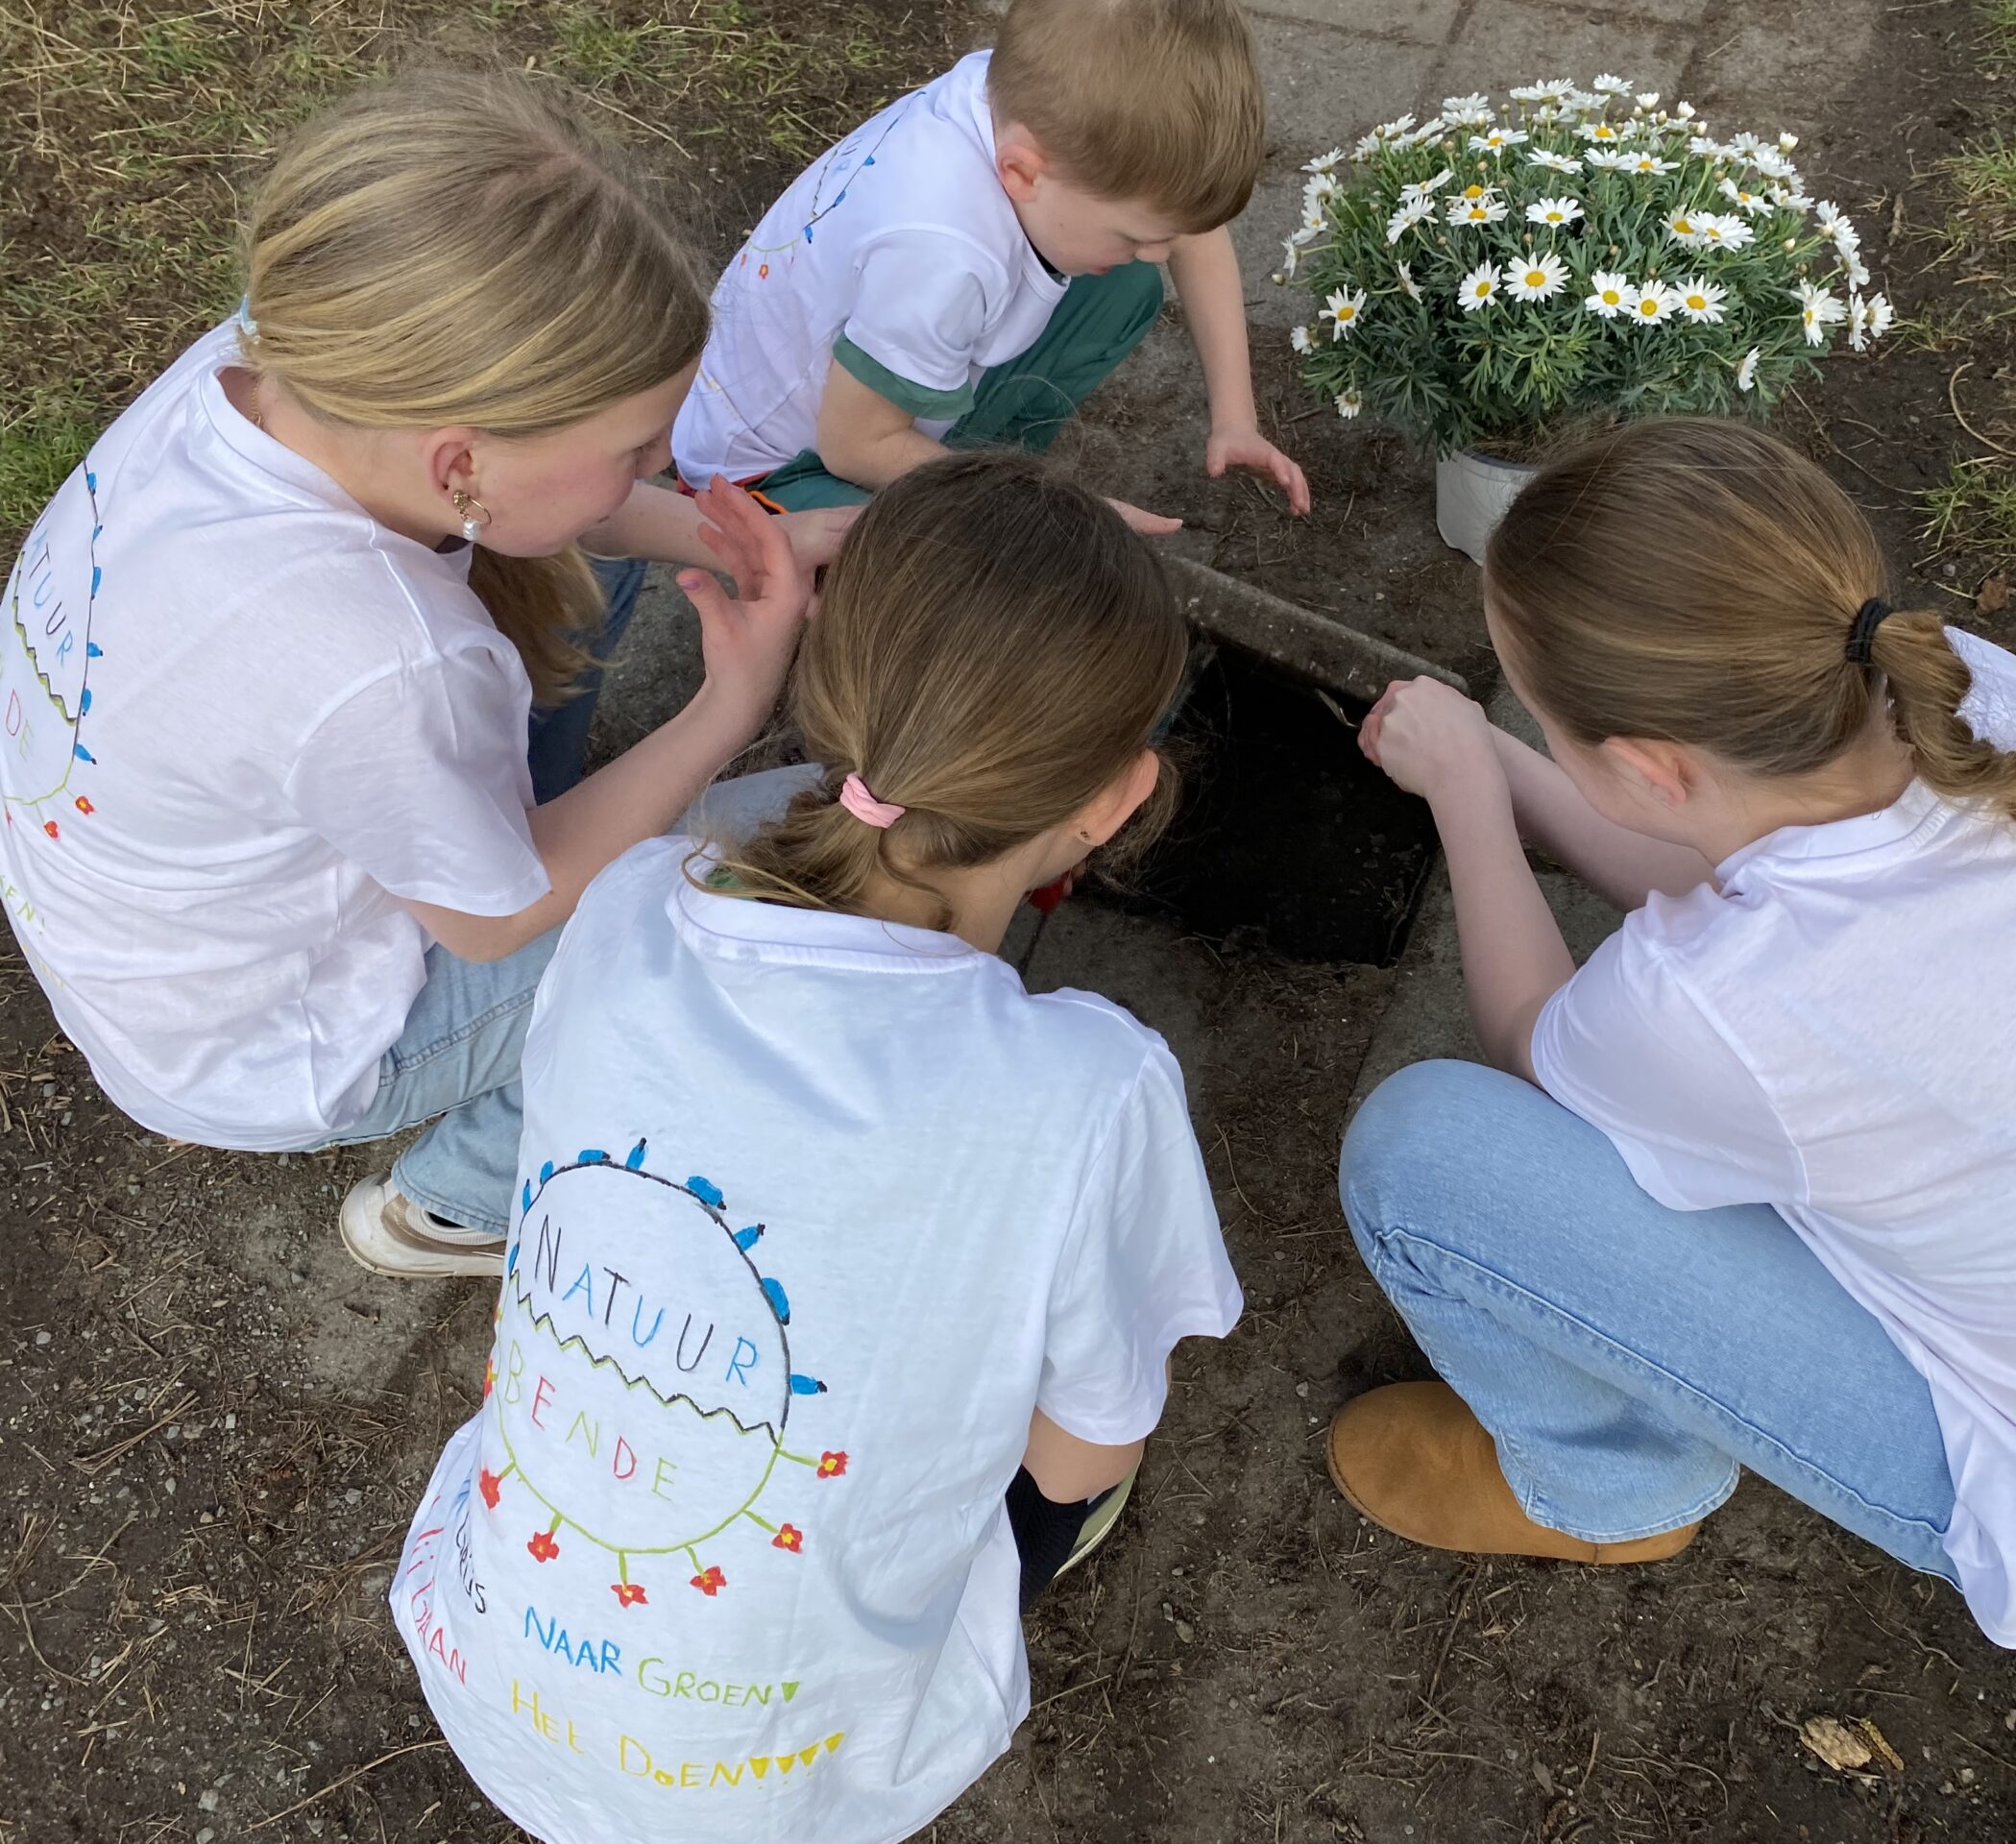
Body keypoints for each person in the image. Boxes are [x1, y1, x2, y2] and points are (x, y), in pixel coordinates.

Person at [1332, 419, 2016, 1648]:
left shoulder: (1718, 1008)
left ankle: (1612, 1490)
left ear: (1652, 768)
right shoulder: (1972, 693)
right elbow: (1714, 861)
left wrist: (1463, 789)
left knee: (1424, 1152)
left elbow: (1529, 1040)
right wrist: (1503, 755)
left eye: (1544, 720)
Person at [389, 450, 1241, 1844]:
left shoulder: (630, 903)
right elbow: (1091, 1441)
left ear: (825, 695)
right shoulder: (1092, 1088)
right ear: (1110, 803)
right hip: (785, 1796)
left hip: (482, 1655)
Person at [0, 73, 850, 1280]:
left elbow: (536, 523)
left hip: (155, 928)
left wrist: (740, 536)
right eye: (633, 450)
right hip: (267, 1042)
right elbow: (493, 918)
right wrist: (731, 705)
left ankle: (504, 814)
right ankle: (458, 1197)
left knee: (584, 571)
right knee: (769, 859)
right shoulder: (385, 655)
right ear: (458, 462)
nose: (659, 465)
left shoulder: (288, 363)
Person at [668, 0, 1310, 533]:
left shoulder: (1032, 101)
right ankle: (976, 490)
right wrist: (1045, 503)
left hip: (868, 379)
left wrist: (1235, 419)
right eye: (1138, 234)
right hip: (774, 467)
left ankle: (970, 467)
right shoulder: (943, 255)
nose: (1164, 252)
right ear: (1022, 173)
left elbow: (1184, 228)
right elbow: (853, 444)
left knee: (1125, 285)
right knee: (933, 582)